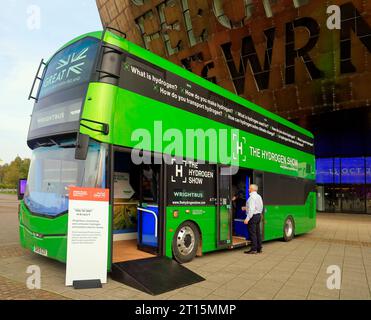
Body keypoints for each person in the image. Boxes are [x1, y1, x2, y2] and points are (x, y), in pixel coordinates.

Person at [243, 184, 263, 254]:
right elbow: (260, 207)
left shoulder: (252, 197)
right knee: (258, 233)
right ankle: (259, 248)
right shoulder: (259, 196)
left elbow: (251, 210)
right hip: (258, 216)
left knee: (253, 233)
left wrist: (247, 219)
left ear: (252, 189)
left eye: (249, 188)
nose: (248, 189)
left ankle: (254, 249)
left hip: (253, 217)